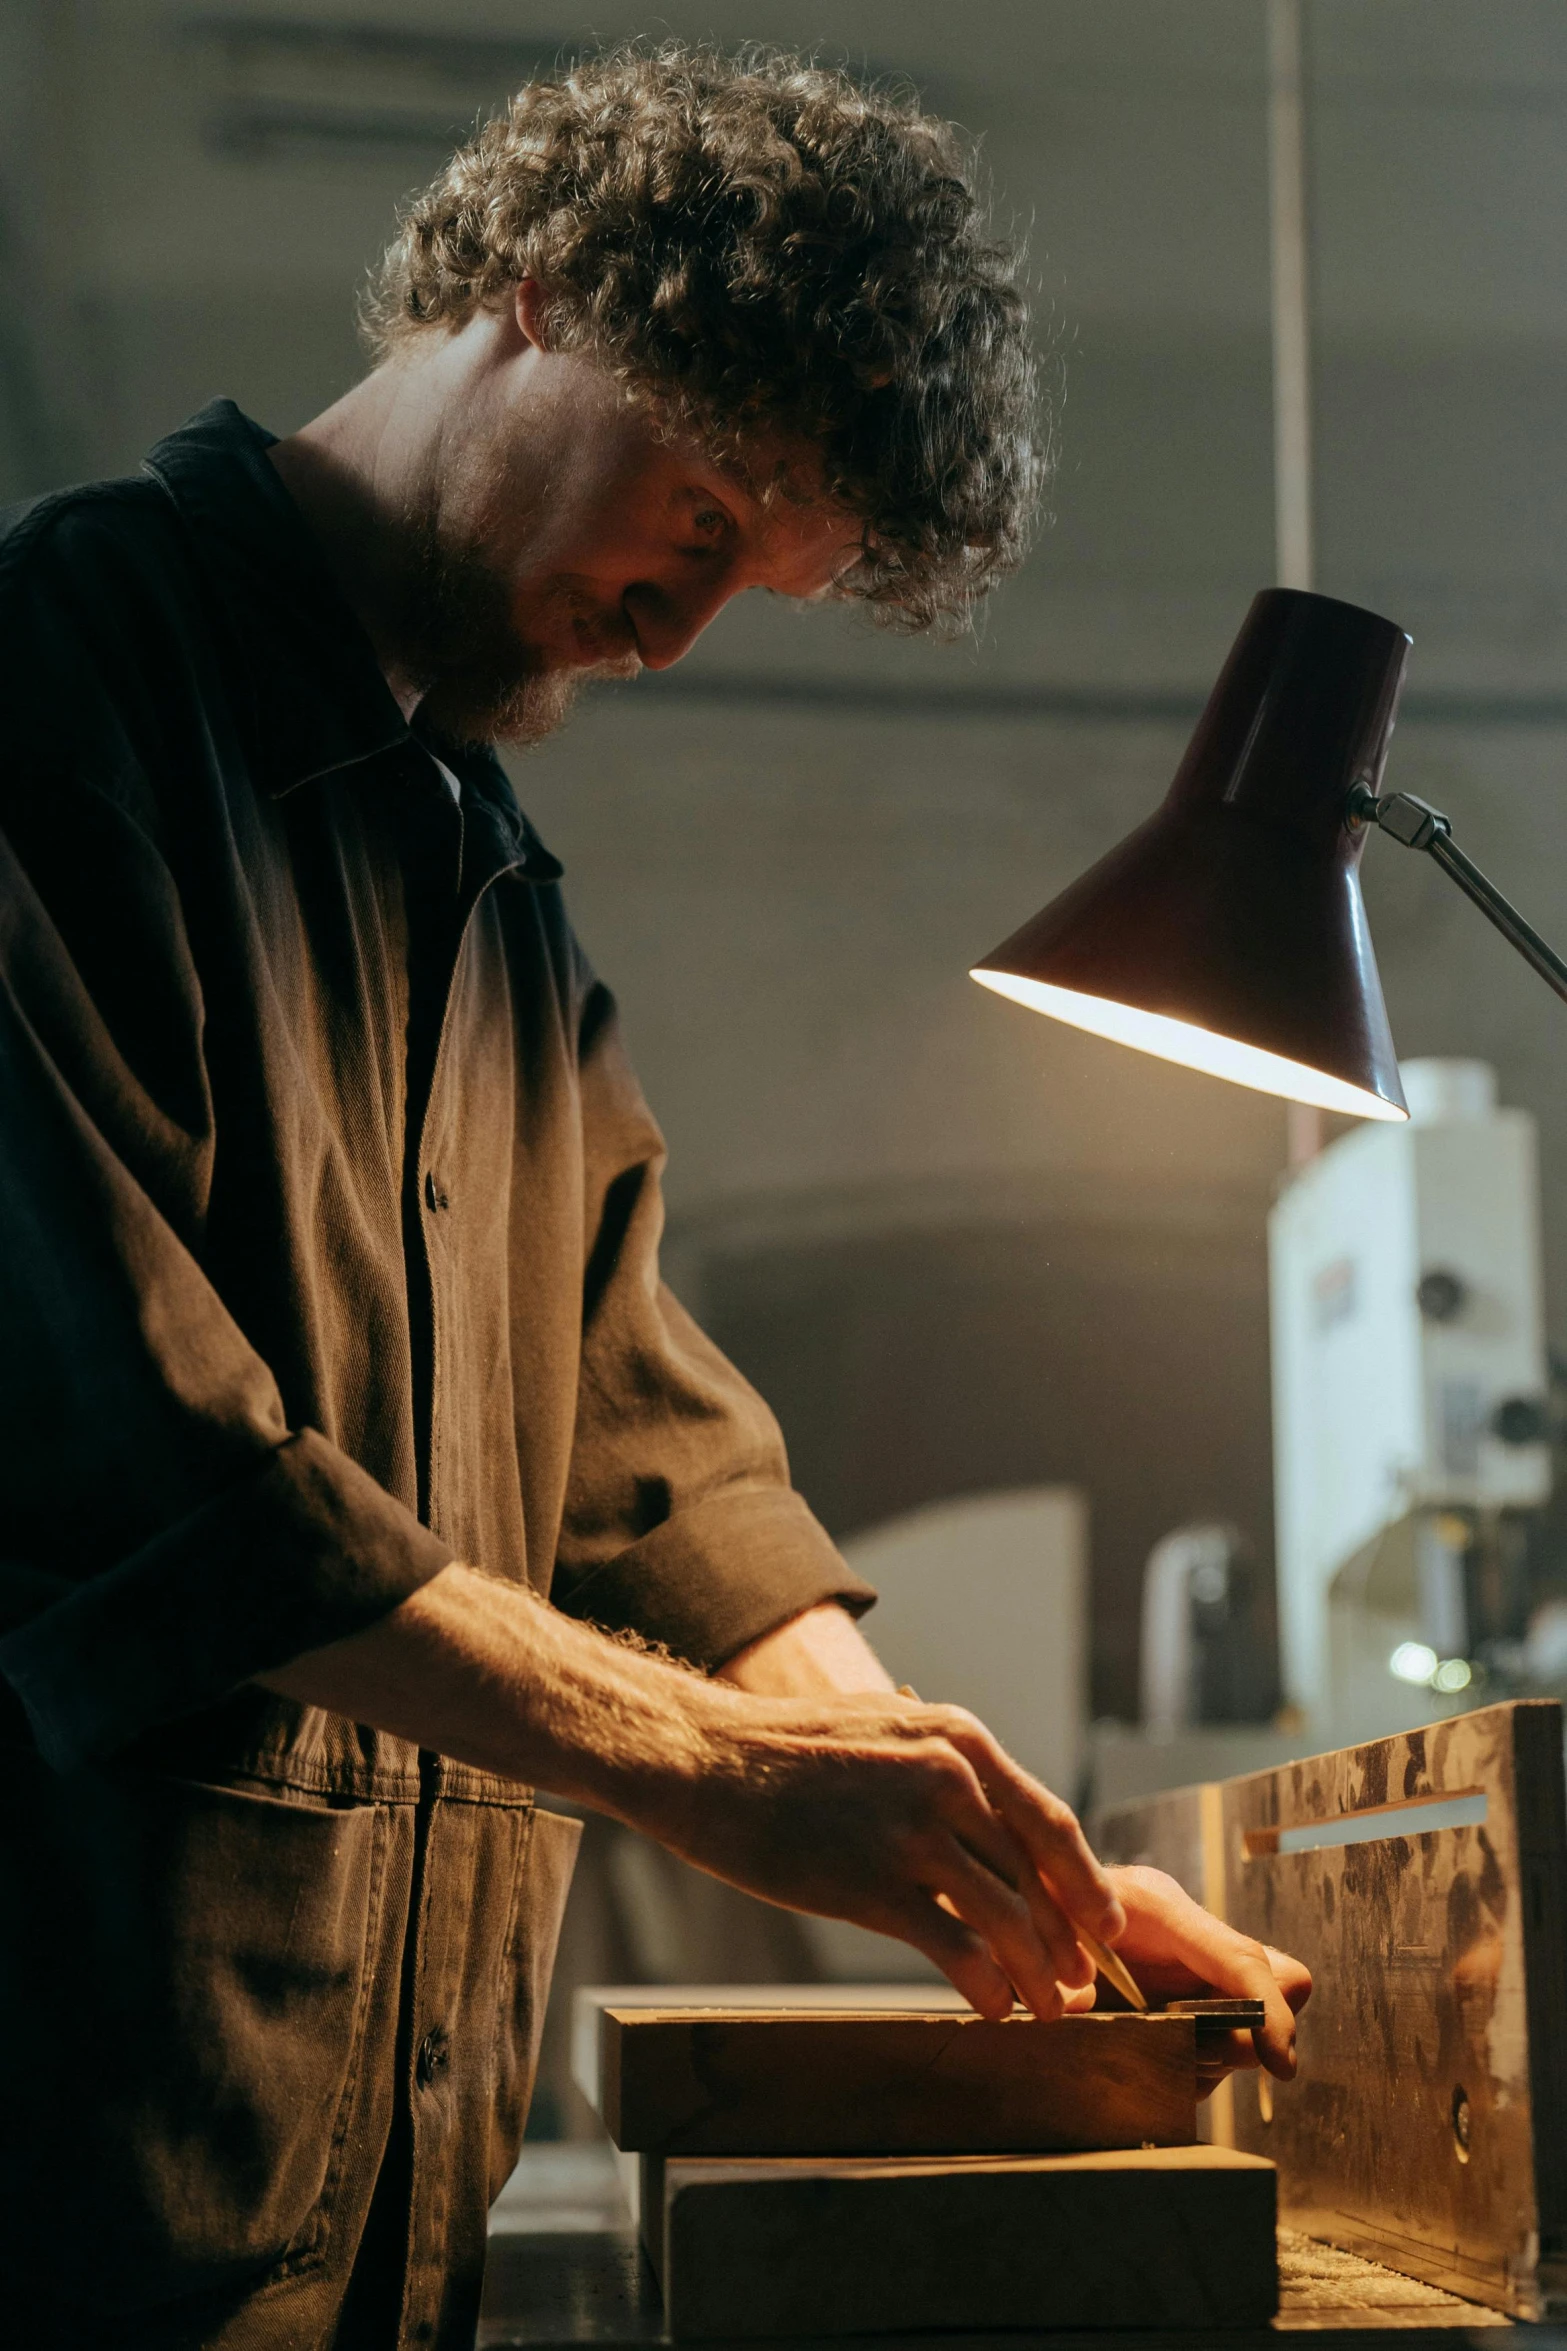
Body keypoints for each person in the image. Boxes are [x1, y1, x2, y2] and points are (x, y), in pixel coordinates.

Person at [0, 44, 1309, 2351]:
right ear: (537, 290)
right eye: (702, 517)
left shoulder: (493, 896)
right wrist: (726, 1781)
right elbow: (136, 1464)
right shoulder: (56, 687)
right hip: (79, 2194)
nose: (674, 628)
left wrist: (989, 1859)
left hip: (381, 2233)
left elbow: (659, 1464)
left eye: (753, 584)